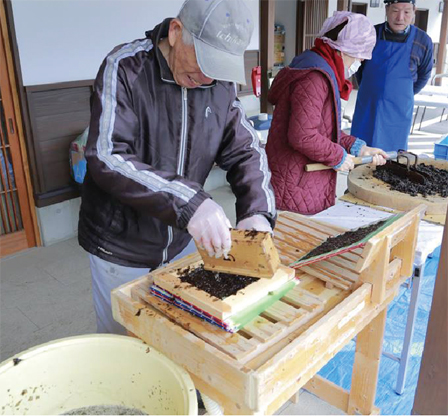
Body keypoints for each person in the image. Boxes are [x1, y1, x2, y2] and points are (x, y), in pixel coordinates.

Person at [78, 0, 276, 335]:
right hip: (122, 246)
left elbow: (246, 150)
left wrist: (257, 211)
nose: (205, 78)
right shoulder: (125, 68)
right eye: (202, 61)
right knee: (125, 342)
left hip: (184, 243)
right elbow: (107, 155)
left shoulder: (218, 84)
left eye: (217, 68)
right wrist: (189, 202)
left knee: (181, 337)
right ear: (175, 32)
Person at [266, 12, 388, 216]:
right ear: (344, 49)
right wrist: (338, 156)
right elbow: (303, 135)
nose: (358, 62)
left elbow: (323, 129)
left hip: (302, 179)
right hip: (296, 182)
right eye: (359, 56)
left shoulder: (320, 68)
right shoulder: (315, 77)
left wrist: (361, 149)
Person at [351, 0, 433, 151]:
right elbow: (359, 68)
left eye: (407, 12)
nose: (400, 17)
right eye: (395, 10)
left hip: (398, 111)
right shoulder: (371, 34)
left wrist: (402, 93)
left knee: (392, 161)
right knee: (361, 153)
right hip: (367, 107)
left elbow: (424, 75)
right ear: (387, 9)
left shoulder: (423, 41)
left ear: (414, 11)